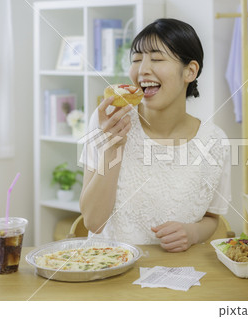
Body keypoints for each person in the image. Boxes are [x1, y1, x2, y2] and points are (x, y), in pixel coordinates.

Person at [80, 18, 231, 252]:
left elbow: (212, 217)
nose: (142, 70)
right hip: (109, 268)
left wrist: (192, 233)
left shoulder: (216, 141)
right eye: (136, 60)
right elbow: (93, 222)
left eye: (157, 59)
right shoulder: (110, 121)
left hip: (178, 273)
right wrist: (112, 149)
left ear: (190, 71)